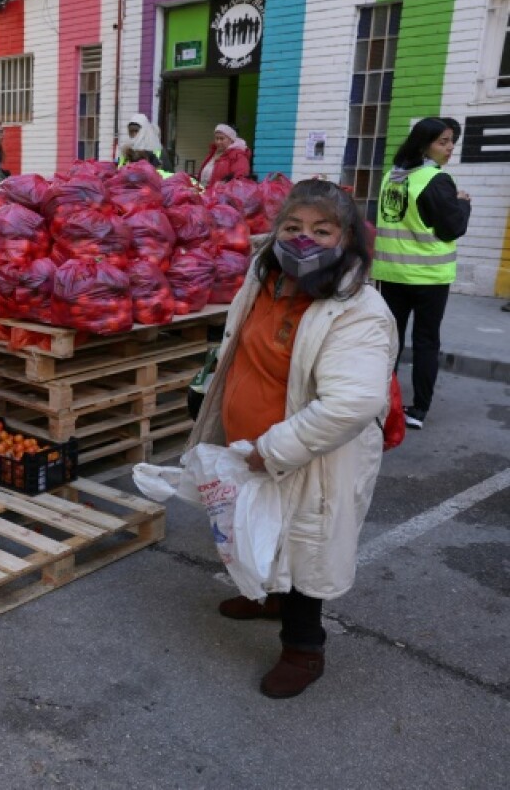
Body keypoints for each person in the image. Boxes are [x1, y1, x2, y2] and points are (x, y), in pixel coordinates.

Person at [186, 179, 397, 699]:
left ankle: (304, 650)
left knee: (305, 546)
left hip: (310, 456)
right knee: (257, 529)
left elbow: (354, 403)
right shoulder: (265, 280)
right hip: (251, 447)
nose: (305, 241)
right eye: (293, 227)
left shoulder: (358, 310)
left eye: (322, 231)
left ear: (347, 238)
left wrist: (273, 448)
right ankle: (268, 599)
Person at [371, 117, 471, 430]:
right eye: (443, 141)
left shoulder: (393, 176)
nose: (450, 148)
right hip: (429, 277)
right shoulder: (436, 180)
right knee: (426, 341)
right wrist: (463, 204)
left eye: (452, 141)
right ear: (424, 144)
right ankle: (417, 410)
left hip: (390, 274)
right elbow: (452, 226)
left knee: (389, 342)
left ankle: (380, 401)